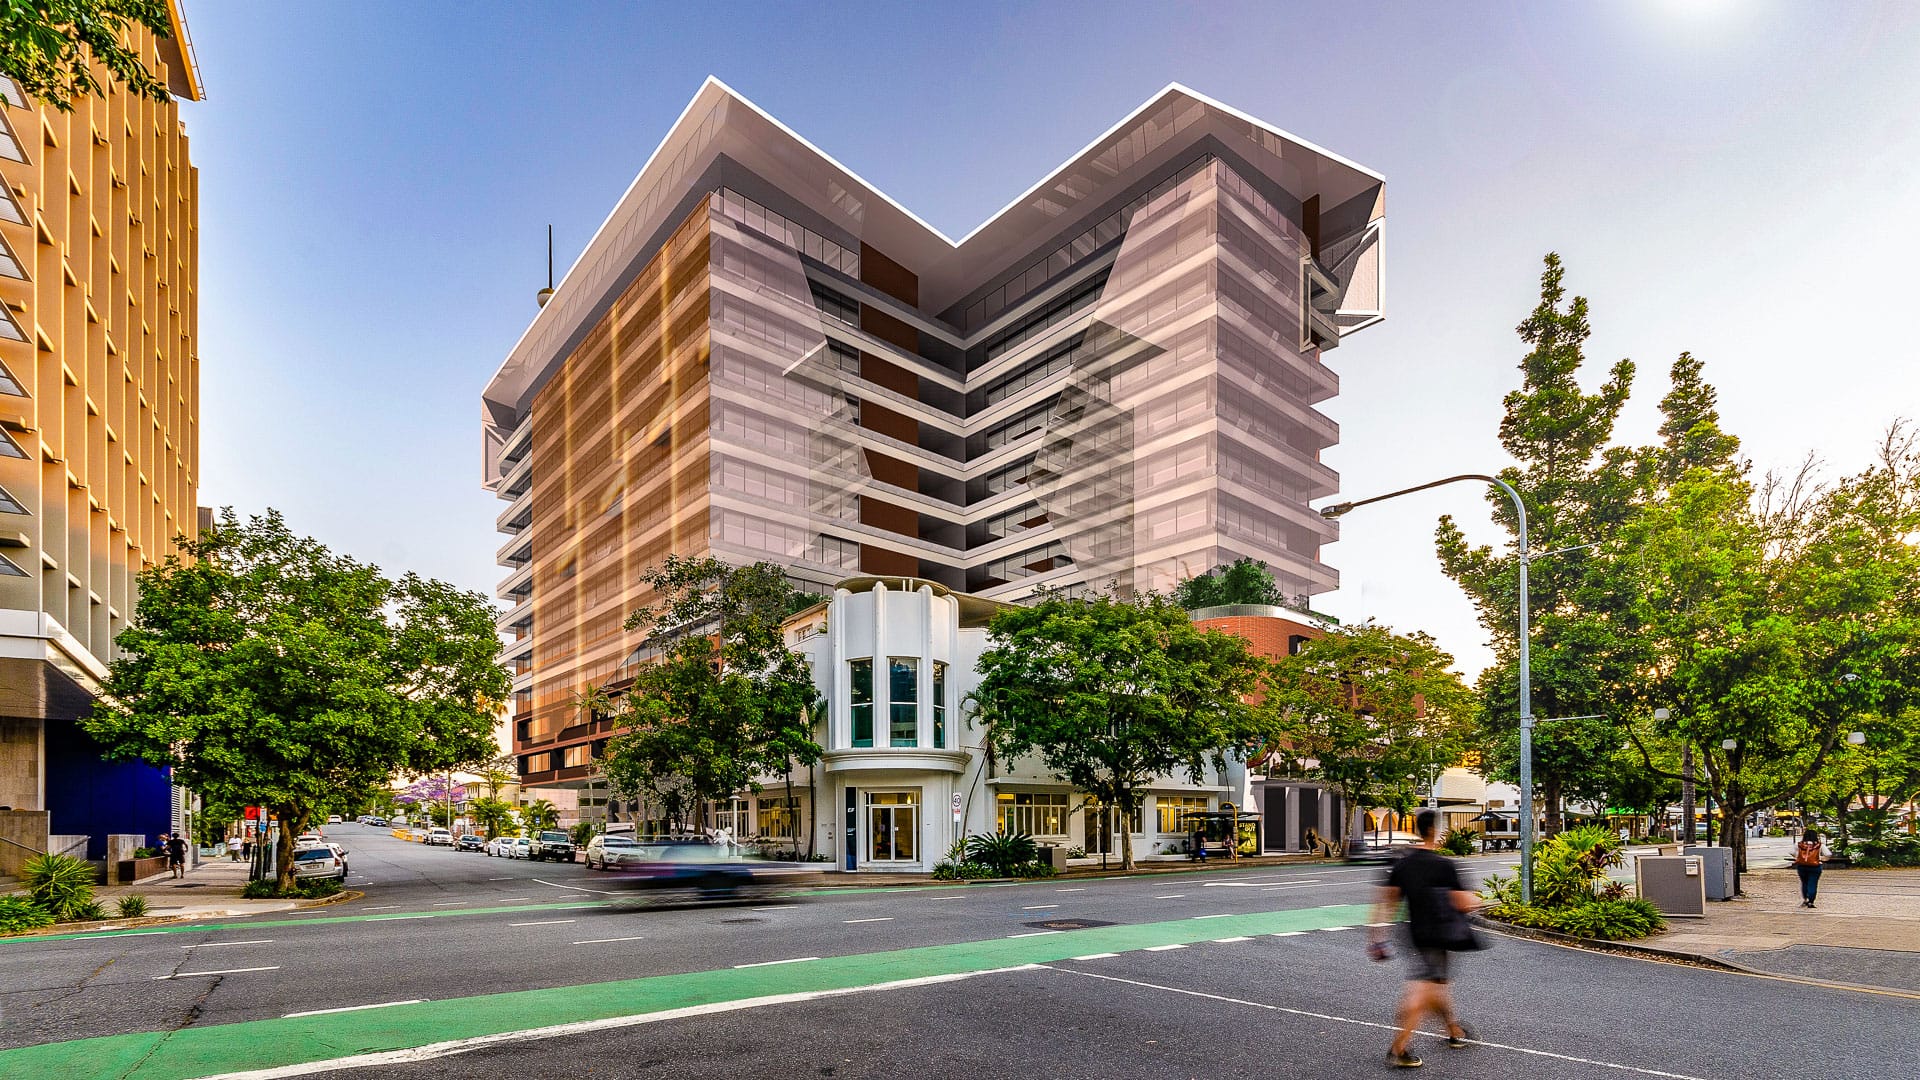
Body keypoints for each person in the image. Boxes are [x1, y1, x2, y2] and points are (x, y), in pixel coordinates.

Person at [1368, 808, 1478, 1069]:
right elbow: (1463, 903)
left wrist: (1377, 938)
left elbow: (1386, 903)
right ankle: (1399, 1048)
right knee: (1422, 991)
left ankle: (1454, 1031)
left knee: (1438, 983)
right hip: (1440, 934)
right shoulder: (1445, 865)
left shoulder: (1403, 864)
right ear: (1434, 831)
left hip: (1415, 933)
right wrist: (1475, 901)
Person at [1793, 828, 1825, 908]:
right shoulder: (1819, 845)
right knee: (1813, 883)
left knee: (1804, 882)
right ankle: (1811, 901)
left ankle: (1805, 898)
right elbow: (1828, 854)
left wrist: (1798, 857)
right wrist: (1821, 858)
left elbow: (1791, 852)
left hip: (1802, 866)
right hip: (1815, 866)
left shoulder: (1799, 844)